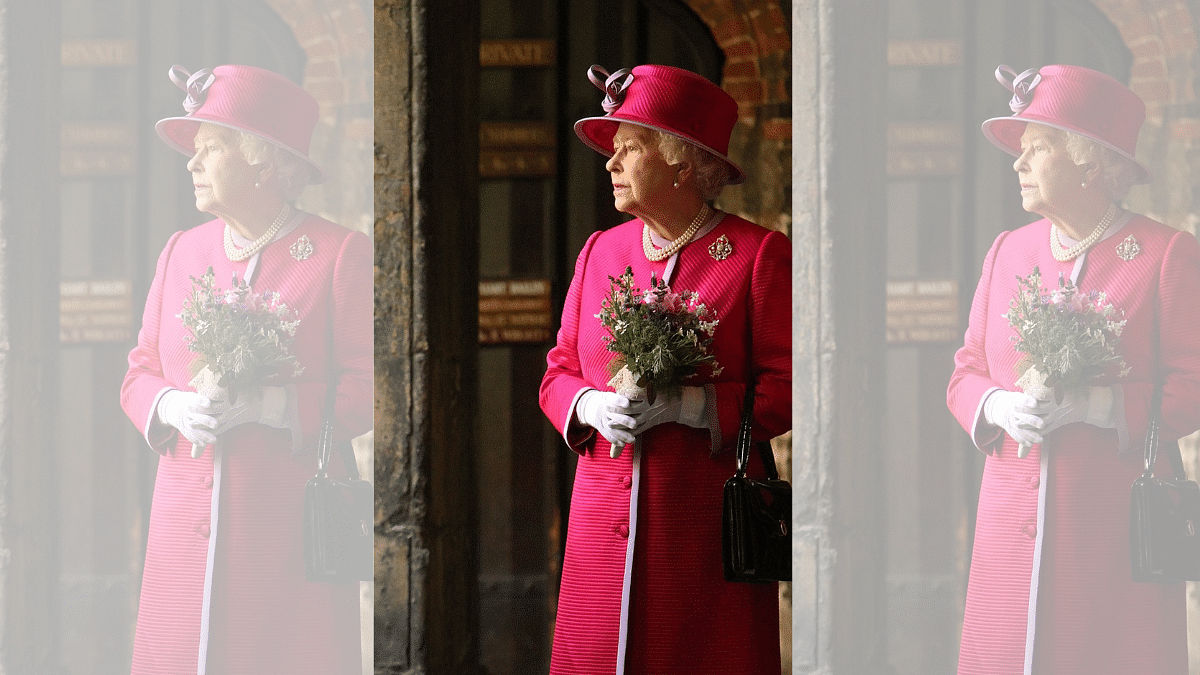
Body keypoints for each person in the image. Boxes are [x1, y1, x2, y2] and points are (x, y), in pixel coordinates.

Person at [947, 64, 1200, 675]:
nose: (1018, 163)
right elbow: (966, 371)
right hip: (1008, 526)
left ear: (1091, 161)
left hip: (1111, 533)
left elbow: (1193, 390)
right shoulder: (1009, 250)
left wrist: (1097, 406)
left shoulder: (1167, 254)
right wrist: (998, 406)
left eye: (1038, 147)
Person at [539, 64, 791, 675]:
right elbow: (558, 372)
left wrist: (693, 406)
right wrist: (590, 406)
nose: (611, 163)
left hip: (701, 531)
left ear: (682, 162)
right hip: (601, 524)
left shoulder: (757, 255)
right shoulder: (602, 251)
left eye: (631, 146)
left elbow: (791, 389)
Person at [120, 65, 372, 674]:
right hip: (181, 531)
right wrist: (172, 406)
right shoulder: (182, 250)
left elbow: (371, 390)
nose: (192, 163)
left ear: (265, 162)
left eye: (212, 147)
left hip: (282, 536)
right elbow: (140, 371)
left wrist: (274, 407)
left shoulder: (339, 254)